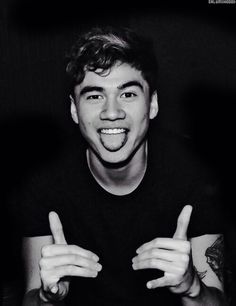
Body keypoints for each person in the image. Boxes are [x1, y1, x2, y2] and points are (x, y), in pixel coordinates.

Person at [20, 26, 228, 305]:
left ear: (152, 104)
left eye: (128, 94)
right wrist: (47, 296)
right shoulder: (43, 185)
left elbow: (218, 300)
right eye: (94, 96)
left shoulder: (194, 175)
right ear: (74, 110)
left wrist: (191, 287)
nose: (112, 112)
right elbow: (31, 298)